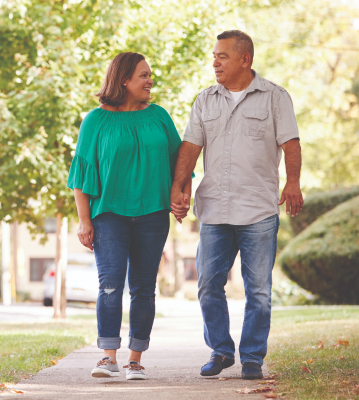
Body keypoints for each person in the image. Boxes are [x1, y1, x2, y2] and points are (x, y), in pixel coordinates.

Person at [170, 30, 303, 380]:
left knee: (258, 290)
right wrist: (179, 187)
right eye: (214, 56)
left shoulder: (275, 97)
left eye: (223, 56)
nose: (215, 62)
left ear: (245, 59)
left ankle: (253, 357)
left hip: (258, 210)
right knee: (208, 284)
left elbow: (291, 143)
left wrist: (292, 182)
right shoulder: (205, 100)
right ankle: (220, 350)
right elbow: (190, 147)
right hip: (214, 209)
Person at [68, 52, 192, 380]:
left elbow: (180, 164)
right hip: (109, 215)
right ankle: (108, 356)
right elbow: (82, 174)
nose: (150, 81)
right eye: (143, 76)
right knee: (110, 285)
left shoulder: (159, 117)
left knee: (143, 287)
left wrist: (181, 197)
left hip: (152, 214)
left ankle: (135, 360)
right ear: (124, 80)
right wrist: (84, 220)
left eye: (150, 75)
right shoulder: (95, 120)